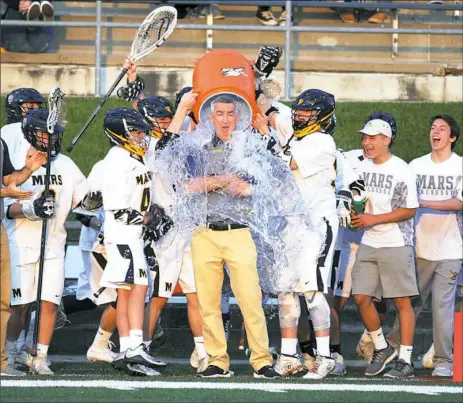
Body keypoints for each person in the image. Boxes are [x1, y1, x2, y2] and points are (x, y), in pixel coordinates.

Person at [161, 95, 280, 379]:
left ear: (238, 117)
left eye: (230, 113)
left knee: (250, 298)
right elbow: (188, 185)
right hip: (204, 232)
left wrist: (242, 188)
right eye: (220, 114)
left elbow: (272, 182)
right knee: (208, 301)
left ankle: (262, 360)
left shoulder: (249, 147)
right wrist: (226, 180)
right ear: (210, 117)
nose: (225, 119)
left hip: (239, 232)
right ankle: (217, 360)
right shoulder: (199, 148)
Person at [3, 109, 90, 375]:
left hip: (53, 243)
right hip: (21, 241)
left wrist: (97, 200)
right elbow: (7, 207)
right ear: (31, 133)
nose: (50, 138)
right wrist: (32, 209)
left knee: (49, 302)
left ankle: (40, 355)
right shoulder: (19, 162)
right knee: (20, 304)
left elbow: (84, 201)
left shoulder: (65, 163)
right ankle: (11, 351)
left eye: (53, 134)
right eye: (44, 133)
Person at [266, 89, 339, 379]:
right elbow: (268, 112)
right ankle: (287, 356)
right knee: (286, 289)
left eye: (307, 112)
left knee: (313, 290)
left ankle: (324, 356)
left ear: (321, 116)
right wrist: (256, 76)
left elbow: (288, 164)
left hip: (316, 226)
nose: (299, 116)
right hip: (291, 224)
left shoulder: (322, 141)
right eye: (298, 111)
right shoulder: (297, 134)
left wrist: (265, 134)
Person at [387, 114, 462, 377]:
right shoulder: (415, 166)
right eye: (433, 128)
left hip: (450, 249)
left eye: (442, 129)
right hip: (417, 247)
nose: (436, 132)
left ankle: (443, 360)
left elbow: (459, 202)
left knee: (442, 306)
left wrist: (426, 202)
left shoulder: (460, 166)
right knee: (410, 303)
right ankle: (393, 348)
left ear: (452, 137)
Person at [98, 108, 166, 377]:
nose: (140, 136)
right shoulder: (116, 160)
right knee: (137, 288)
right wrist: (148, 219)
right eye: (135, 132)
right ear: (120, 134)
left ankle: (129, 348)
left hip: (131, 234)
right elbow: (116, 208)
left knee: (129, 291)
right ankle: (134, 346)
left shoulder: (131, 156)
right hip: (123, 232)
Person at [350, 117, 419, 379]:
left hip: (395, 242)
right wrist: (354, 217)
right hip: (369, 239)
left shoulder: (401, 169)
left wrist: (373, 220)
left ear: (386, 140)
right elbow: (358, 199)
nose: (366, 143)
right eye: (364, 138)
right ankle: (382, 346)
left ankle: (406, 360)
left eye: (372, 138)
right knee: (361, 297)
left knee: (402, 301)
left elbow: (410, 209)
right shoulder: (361, 167)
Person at [1, 138, 47, 377]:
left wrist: (29, 169)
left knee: (5, 301)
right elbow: (5, 190)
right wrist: (4, 192)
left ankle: (3, 362)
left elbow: (8, 180)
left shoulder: (0, 143)